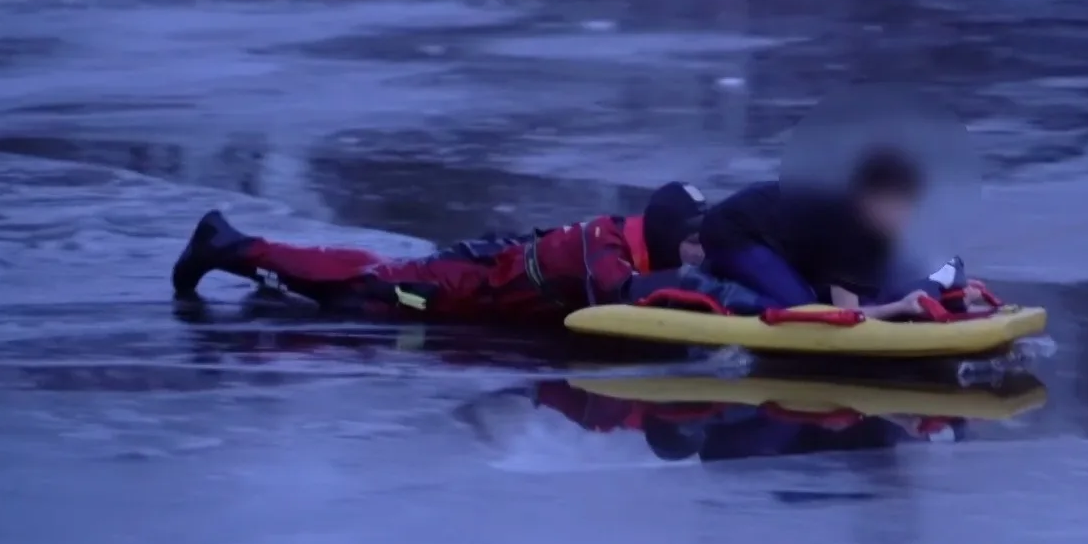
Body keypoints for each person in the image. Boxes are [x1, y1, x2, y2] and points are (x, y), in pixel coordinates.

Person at [170, 182, 710, 323]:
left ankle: (252, 269)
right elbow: (614, 293)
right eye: (692, 239)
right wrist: (706, 293)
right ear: (664, 233)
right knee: (356, 284)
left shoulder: (635, 241)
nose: (699, 252)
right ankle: (224, 244)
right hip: (459, 290)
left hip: (490, 276)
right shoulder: (607, 243)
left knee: (353, 285)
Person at [698, 146, 997, 319]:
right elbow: (846, 315)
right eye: (898, 205)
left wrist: (950, 290)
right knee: (803, 312)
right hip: (734, 233)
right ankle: (716, 289)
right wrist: (901, 307)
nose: (905, 216)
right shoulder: (848, 227)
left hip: (774, 237)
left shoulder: (873, 226)